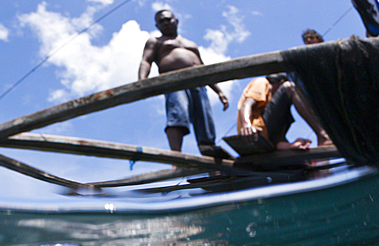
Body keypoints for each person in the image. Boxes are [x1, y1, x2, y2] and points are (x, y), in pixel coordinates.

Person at [138, 9, 230, 158]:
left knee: (204, 120)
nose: (166, 22)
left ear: (176, 20)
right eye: (161, 21)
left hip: (199, 83)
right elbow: (146, 60)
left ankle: (210, 155)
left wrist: (219, 91)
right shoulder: (156, 41)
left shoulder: (190, 44)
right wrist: (142, 81)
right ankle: (176, 156)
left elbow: (203, 67)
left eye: (168, 19)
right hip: (175, 81)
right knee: (177, 114)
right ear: (157, 25)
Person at [237, 73, 331, 151]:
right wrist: (247, 125)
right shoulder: (262, 82)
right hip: (254, 133)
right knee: (289, 87)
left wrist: (292, 146)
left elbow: (275, 142)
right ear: (281, 82)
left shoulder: (268, 110)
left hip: (266, 138)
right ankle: (324, 136)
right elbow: (246, 105)